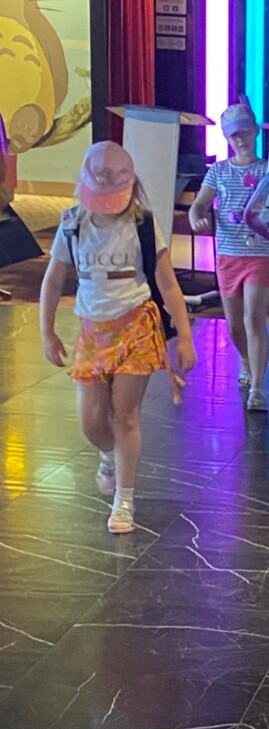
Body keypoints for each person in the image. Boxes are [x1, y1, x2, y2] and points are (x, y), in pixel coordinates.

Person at [39, 141, 196, 535]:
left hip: (136, 326)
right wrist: (47, 331)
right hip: (93, 331)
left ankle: (124, 500)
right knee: (91, 422)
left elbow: (167, 283)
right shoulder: (73, 224)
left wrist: (185, 336)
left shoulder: (142, 224)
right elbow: (54, 279)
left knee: (125, 416)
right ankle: (108, 456)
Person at [189, 103, 269, 413]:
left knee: (254, 317)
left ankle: (258, 386)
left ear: (255, 131)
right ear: (227, 138)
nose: (240, 139)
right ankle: (246, 359)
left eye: (245, 132)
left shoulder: (267, 170)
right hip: (228, 255)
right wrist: (196, 215)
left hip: (261, 254)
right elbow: (200, 203)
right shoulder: (218, 171)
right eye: (234, 135)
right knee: (234, 325)